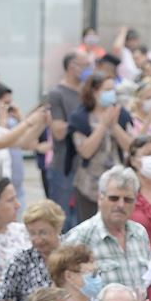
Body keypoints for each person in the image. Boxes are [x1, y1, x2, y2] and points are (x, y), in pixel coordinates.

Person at [64, 165, 151, 292]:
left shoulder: (140, 233)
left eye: (128, 200)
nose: (121, 205)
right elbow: (64, 286)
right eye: (114, 198)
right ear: (100, 198)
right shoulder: (80, 236)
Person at [67, 72, 133, 222]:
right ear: (94, 91)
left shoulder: (121, 114)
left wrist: (115, 126)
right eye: (107, 90)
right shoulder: (80, 117)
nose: (111, 94)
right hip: (89, 184)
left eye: (113, 90)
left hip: (117, 180)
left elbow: (131, 147)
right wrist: (103, 125)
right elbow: (85, 151)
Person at [48, 51, 91, 232]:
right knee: (62, 220)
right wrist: (81, 125)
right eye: (85, 65)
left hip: (87, 167)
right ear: (72, 66)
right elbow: (58, 132)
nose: (89, 70)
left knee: (84, 221)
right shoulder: (58, 93)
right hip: (64, 165)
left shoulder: (87, 93)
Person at [0, 200, 65, 301]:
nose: (37, 239)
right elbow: (1, 299)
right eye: (32, 233)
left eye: (43, 233)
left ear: (57, 228)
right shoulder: (22, 260)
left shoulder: (73, 255)